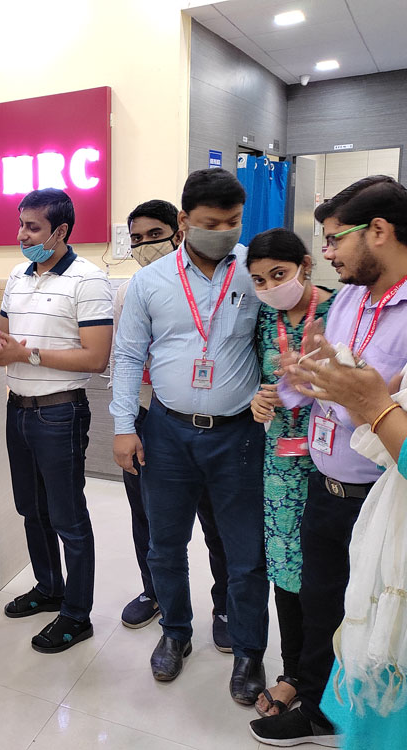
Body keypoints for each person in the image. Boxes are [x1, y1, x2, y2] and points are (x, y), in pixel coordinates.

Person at [250, 176, 407, 747]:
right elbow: (327, 383)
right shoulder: (350, 300)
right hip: (326, 479)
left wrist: (357, 392)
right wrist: (295, 382)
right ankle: (321, 707)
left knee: (377, 610)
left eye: (336, 239)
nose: (328, 253)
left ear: (379, 231)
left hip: (389, 495)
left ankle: (371, 719)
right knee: (322, 601)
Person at [111, 169, 268, 705]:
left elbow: (278, 340)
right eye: (210, 223)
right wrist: (123, 427)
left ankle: (248, 650)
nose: (224, 232)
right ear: (184, 221)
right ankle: (175, 632)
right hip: (168, 431)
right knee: (165, 545)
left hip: (238, 434)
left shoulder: (253, 270)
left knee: (245, 553)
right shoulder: (150, 282)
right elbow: (128, 355)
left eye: (233, 222)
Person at [0, 188, 112, 652]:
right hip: (18, 408)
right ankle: (49, 587)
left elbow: (95, 357)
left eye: (32, 227)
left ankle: (77, 614)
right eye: (20, 224)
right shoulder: (18, 276)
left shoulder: (89, 280)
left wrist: (27, 355)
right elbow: (4, 338)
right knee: (30, 510)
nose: (21, 235)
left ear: (61, 231)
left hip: (60, 412)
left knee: (67, 517)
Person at [115, 199, 232, 650]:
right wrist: (126, 424)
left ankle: (225, 607)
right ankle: (157, 594)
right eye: (137, 238)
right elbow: (125, 358)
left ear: (178, 232)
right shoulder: (130, 290)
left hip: (203, 419)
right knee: (149, 518)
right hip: (149, 418)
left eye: (154, 235)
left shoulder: (212, 283)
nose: (145, 245)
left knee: (216, 523)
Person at [246, 228, 336, 717]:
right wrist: (259, 400)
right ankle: (292, 672)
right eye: (259, 280)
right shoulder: (264, 319)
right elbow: (258, 380)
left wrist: (306, 385)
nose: (270, 287)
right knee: (285, 567)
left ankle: (330, 675)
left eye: (278, 275)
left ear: (306, 264)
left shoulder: (341, 309)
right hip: (281, 464)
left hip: (335, 462)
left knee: (328, 572)